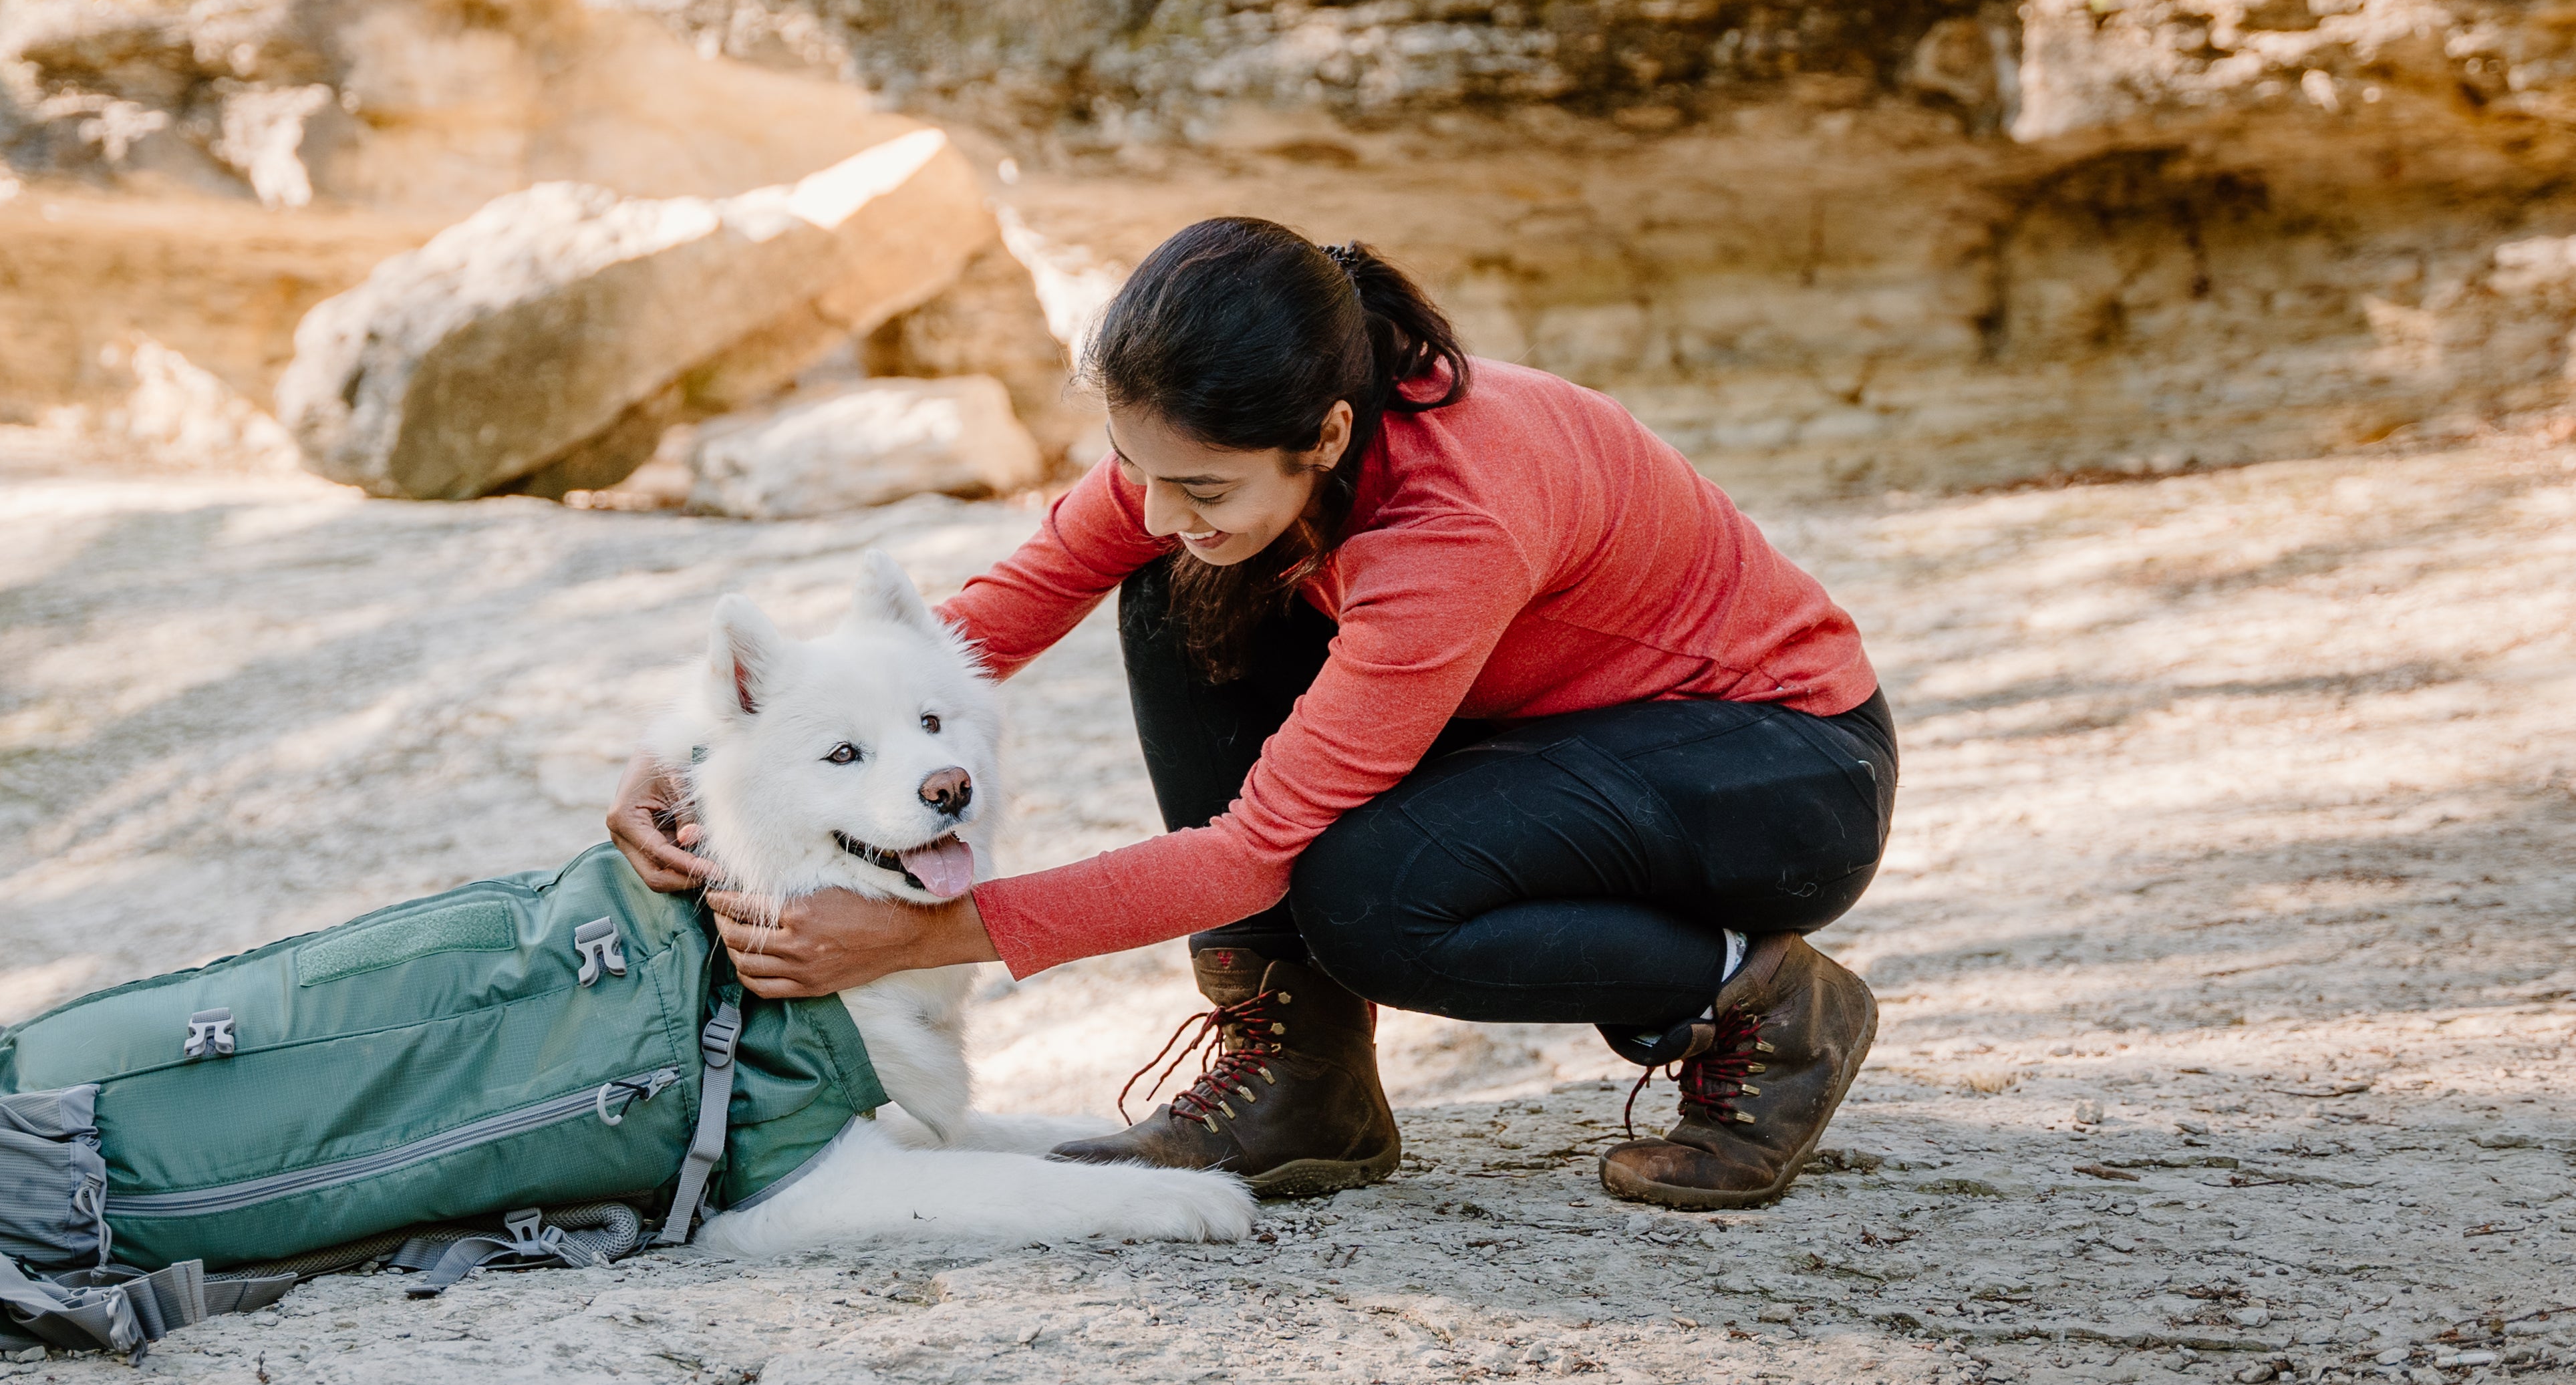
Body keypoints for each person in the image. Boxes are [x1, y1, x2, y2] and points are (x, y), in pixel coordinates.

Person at [607, 216, 1896, 1211]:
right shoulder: (1216, 442)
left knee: (1373, 900)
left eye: (1200, 486)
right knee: (1177, 588)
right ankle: (1302, 1082)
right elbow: (996, 612)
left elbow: (1251, 853)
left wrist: (919, 936)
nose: (1156, 506)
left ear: (1326, 435)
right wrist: (694, 757)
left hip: (1771, 769)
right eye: (1135, 468)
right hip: (1547, 730)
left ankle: (1768, 1003)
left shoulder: (1454, 524)